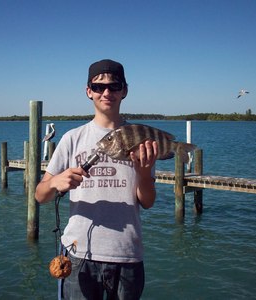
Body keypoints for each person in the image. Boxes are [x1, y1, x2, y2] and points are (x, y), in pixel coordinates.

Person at [35, 59, 159, 299]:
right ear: (88, 91)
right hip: (78, 255)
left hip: (127, 254)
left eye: (114, 86)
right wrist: (53, 182)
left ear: (124, 90)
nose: (106, 92)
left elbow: (148, 201)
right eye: (99, 86)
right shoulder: (72, 138)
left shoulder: (141, 139)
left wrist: (144, 174)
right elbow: (40, 196)